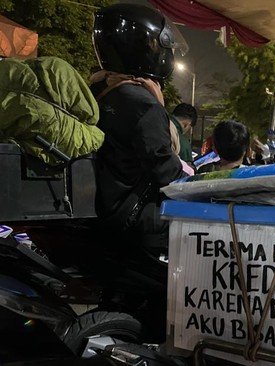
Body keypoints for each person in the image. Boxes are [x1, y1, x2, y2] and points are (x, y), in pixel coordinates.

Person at [90, 3, 187, 268]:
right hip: (132, 215)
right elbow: (166, 172)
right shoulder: (143, 104)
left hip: (104, 207)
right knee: (204, 227)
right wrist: (201, 188)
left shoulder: (98, 88)